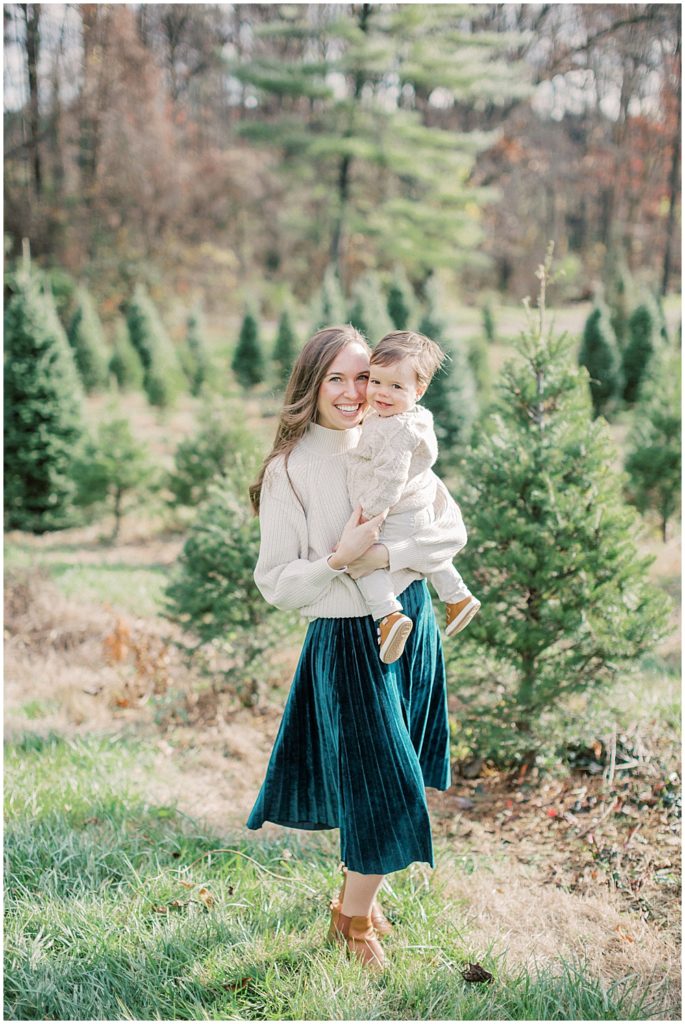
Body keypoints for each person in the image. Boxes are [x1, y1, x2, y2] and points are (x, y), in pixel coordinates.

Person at [245, 325, 468, 971]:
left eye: (364, 376)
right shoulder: (291, 470)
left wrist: (385, 554)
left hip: (410, 618)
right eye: (335, 378)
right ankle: (351, 919)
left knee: (406, 766)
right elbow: (277, 582)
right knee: (381, 781)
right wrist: (337, 562)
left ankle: (357, 893)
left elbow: (447, 531)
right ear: (310, 385)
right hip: (347, 639)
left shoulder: (393, 441)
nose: (353, 391)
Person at [347, 330, 480, 665]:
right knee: (430, 557)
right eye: (376, 381)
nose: (381, 393)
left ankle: (388, 614)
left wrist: (369, 514)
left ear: (418, 391)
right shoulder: (403, 419)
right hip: (416, 507)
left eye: (396, 387)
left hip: (396, 510)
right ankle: (457, 596)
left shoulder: (397, 430)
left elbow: (390, 479)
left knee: (363, 562)